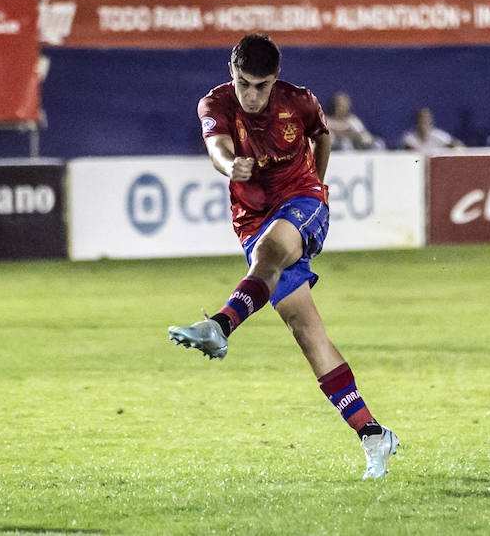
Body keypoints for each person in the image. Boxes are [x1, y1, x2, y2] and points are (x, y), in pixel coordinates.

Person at [167, 34, 399, 479]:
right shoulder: (214, 105)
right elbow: (217, 148)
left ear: (275, 80)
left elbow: (321, 135)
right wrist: (229, 165)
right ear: (230, 73)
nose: (251, 95)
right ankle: (374, 435)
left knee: (271, 254)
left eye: (261, 85)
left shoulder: (300, 102)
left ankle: (219, 326)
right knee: (308, 333)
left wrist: (319, 188)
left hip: (302, 202)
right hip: (252, 219)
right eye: (243, 83)